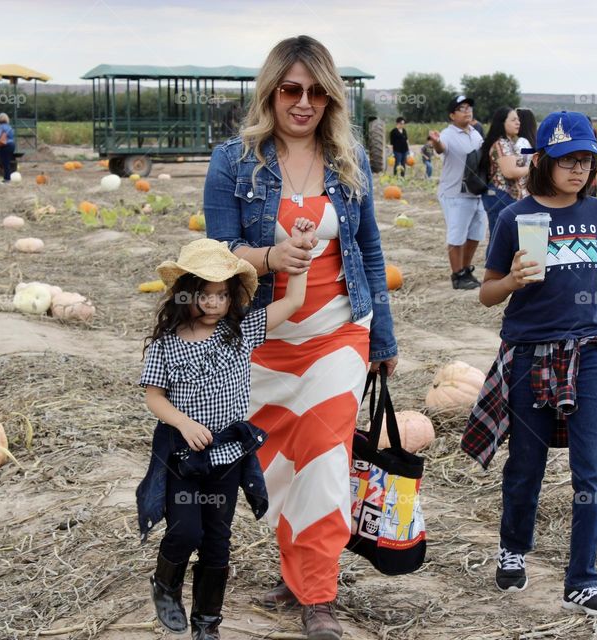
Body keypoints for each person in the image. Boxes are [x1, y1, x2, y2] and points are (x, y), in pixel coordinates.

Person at [202, 35, 398, 640]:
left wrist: (383, 338)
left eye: (316, 91)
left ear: (330, 98)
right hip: (263, 337)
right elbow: (219, 254)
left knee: (324, 457)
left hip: (339, 330)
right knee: (282, 466)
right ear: (271, 92)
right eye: (292, 89)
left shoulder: (349, 159)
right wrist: (268, 255)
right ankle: (298, 569)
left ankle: (319, 595)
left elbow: (367, 246)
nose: (304, 102)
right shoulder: (232, 161)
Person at [462, 110, 597, 617]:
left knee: (593, 471)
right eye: (567, 160)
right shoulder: (516, 218)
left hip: (590, 353)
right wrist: (512, 280)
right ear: (544, 162)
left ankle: (581, 578)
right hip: (529, 353)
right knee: (525, 467)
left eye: (586, 159)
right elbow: (486, 294)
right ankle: (512, 547)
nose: (578, 169)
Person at [137, 232, 314, 640]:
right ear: (185, 294)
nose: (214, 303)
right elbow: (154, 398)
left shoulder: (242, 332)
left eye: (222, 294)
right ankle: (165, 585)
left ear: (232, 297)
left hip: (228, 457)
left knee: (217, 541)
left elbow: (293, 303)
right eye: (204, 294)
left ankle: (207, 624)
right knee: (185, 532)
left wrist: (302, 253)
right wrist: (183, 423)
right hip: (184, 456)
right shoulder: (166, 345)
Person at [430, 95, 486, 290]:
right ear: (452, 115)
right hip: (455, 193)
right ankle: (457, 275)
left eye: (469, 107)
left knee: (476, 234)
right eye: (462, 108)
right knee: (457, 235)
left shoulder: (475, 134)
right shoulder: (448, 134)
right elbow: (441, 148)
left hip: (475, 193)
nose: (467, 111)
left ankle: (466, 269)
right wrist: (436, 141)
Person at [479, 107, 529, 240]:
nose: (518, 122)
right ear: (502, 123)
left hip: (506, 197)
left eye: (518, 119)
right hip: (501, 196)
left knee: (505, 239)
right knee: (500, 240)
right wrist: (533, 168)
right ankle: (494, 262)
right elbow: (510, 172)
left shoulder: (508, 142)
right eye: (513, 120)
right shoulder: (501, 144)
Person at [0, 113, 16, 183]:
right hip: (12, 145)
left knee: (5, 163)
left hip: (5, 145)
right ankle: (7, 178)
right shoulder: (10, 127)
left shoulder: (1, 127)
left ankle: (7, 179)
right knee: (7, 162)